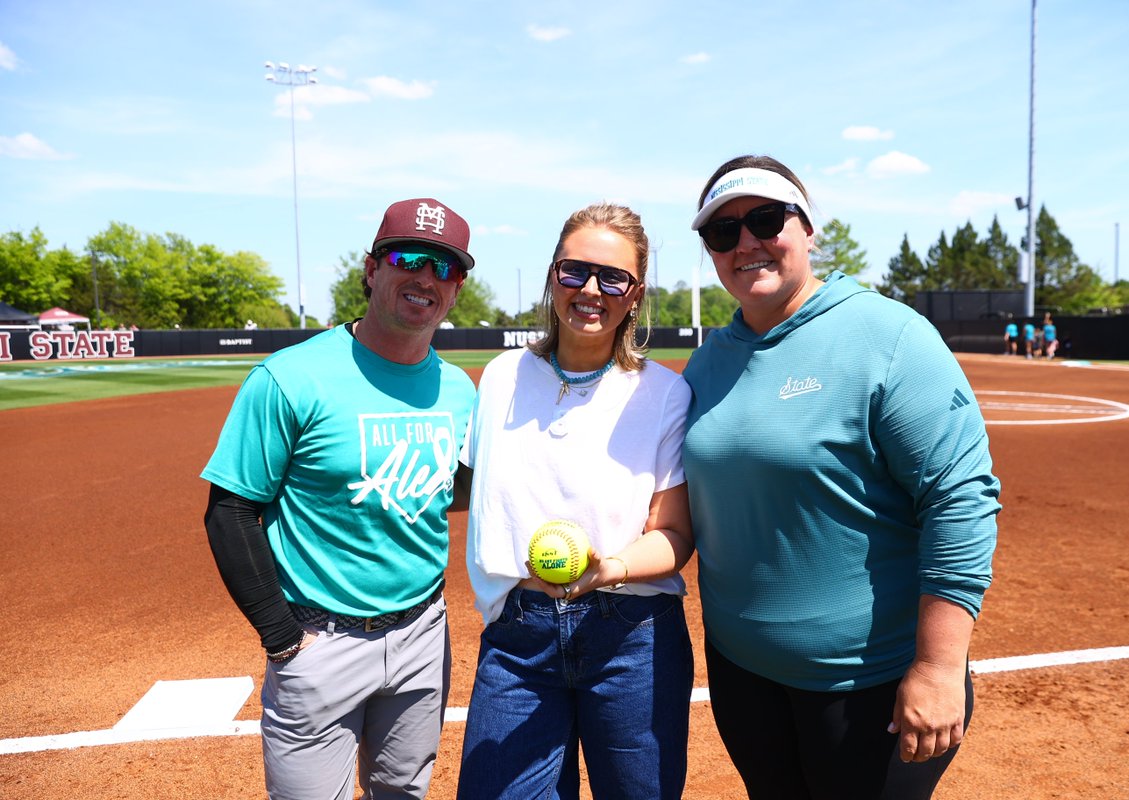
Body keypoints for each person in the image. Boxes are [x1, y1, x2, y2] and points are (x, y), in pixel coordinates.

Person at [681, 155, 1001, 800]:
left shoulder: (888, 335)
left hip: (866, 685)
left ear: (807, 229)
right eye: (723, 231)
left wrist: (939, 668)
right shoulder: (708, 362)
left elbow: (959, 498)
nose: (746, 241)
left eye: (766, 220)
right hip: (744, 674)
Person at [201, 197, 478, 799]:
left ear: (456, 288)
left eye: (445, 267)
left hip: (424, 637)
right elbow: (231, 511)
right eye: (409, 257)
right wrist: (281, 637)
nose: (425, 277)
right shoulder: (290, 377)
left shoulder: (458, 390)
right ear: (373, 268)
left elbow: (444, 488)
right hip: (318, 642)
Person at [456, 202, 695, 799]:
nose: (592, 290)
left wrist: (607, 569)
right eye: (575, 271)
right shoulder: (502, 377)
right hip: (519, 639)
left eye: (613, 277)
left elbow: (674, 534)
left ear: (635, 294)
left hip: (632, 636)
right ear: (552, 275)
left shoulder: (665, 394)